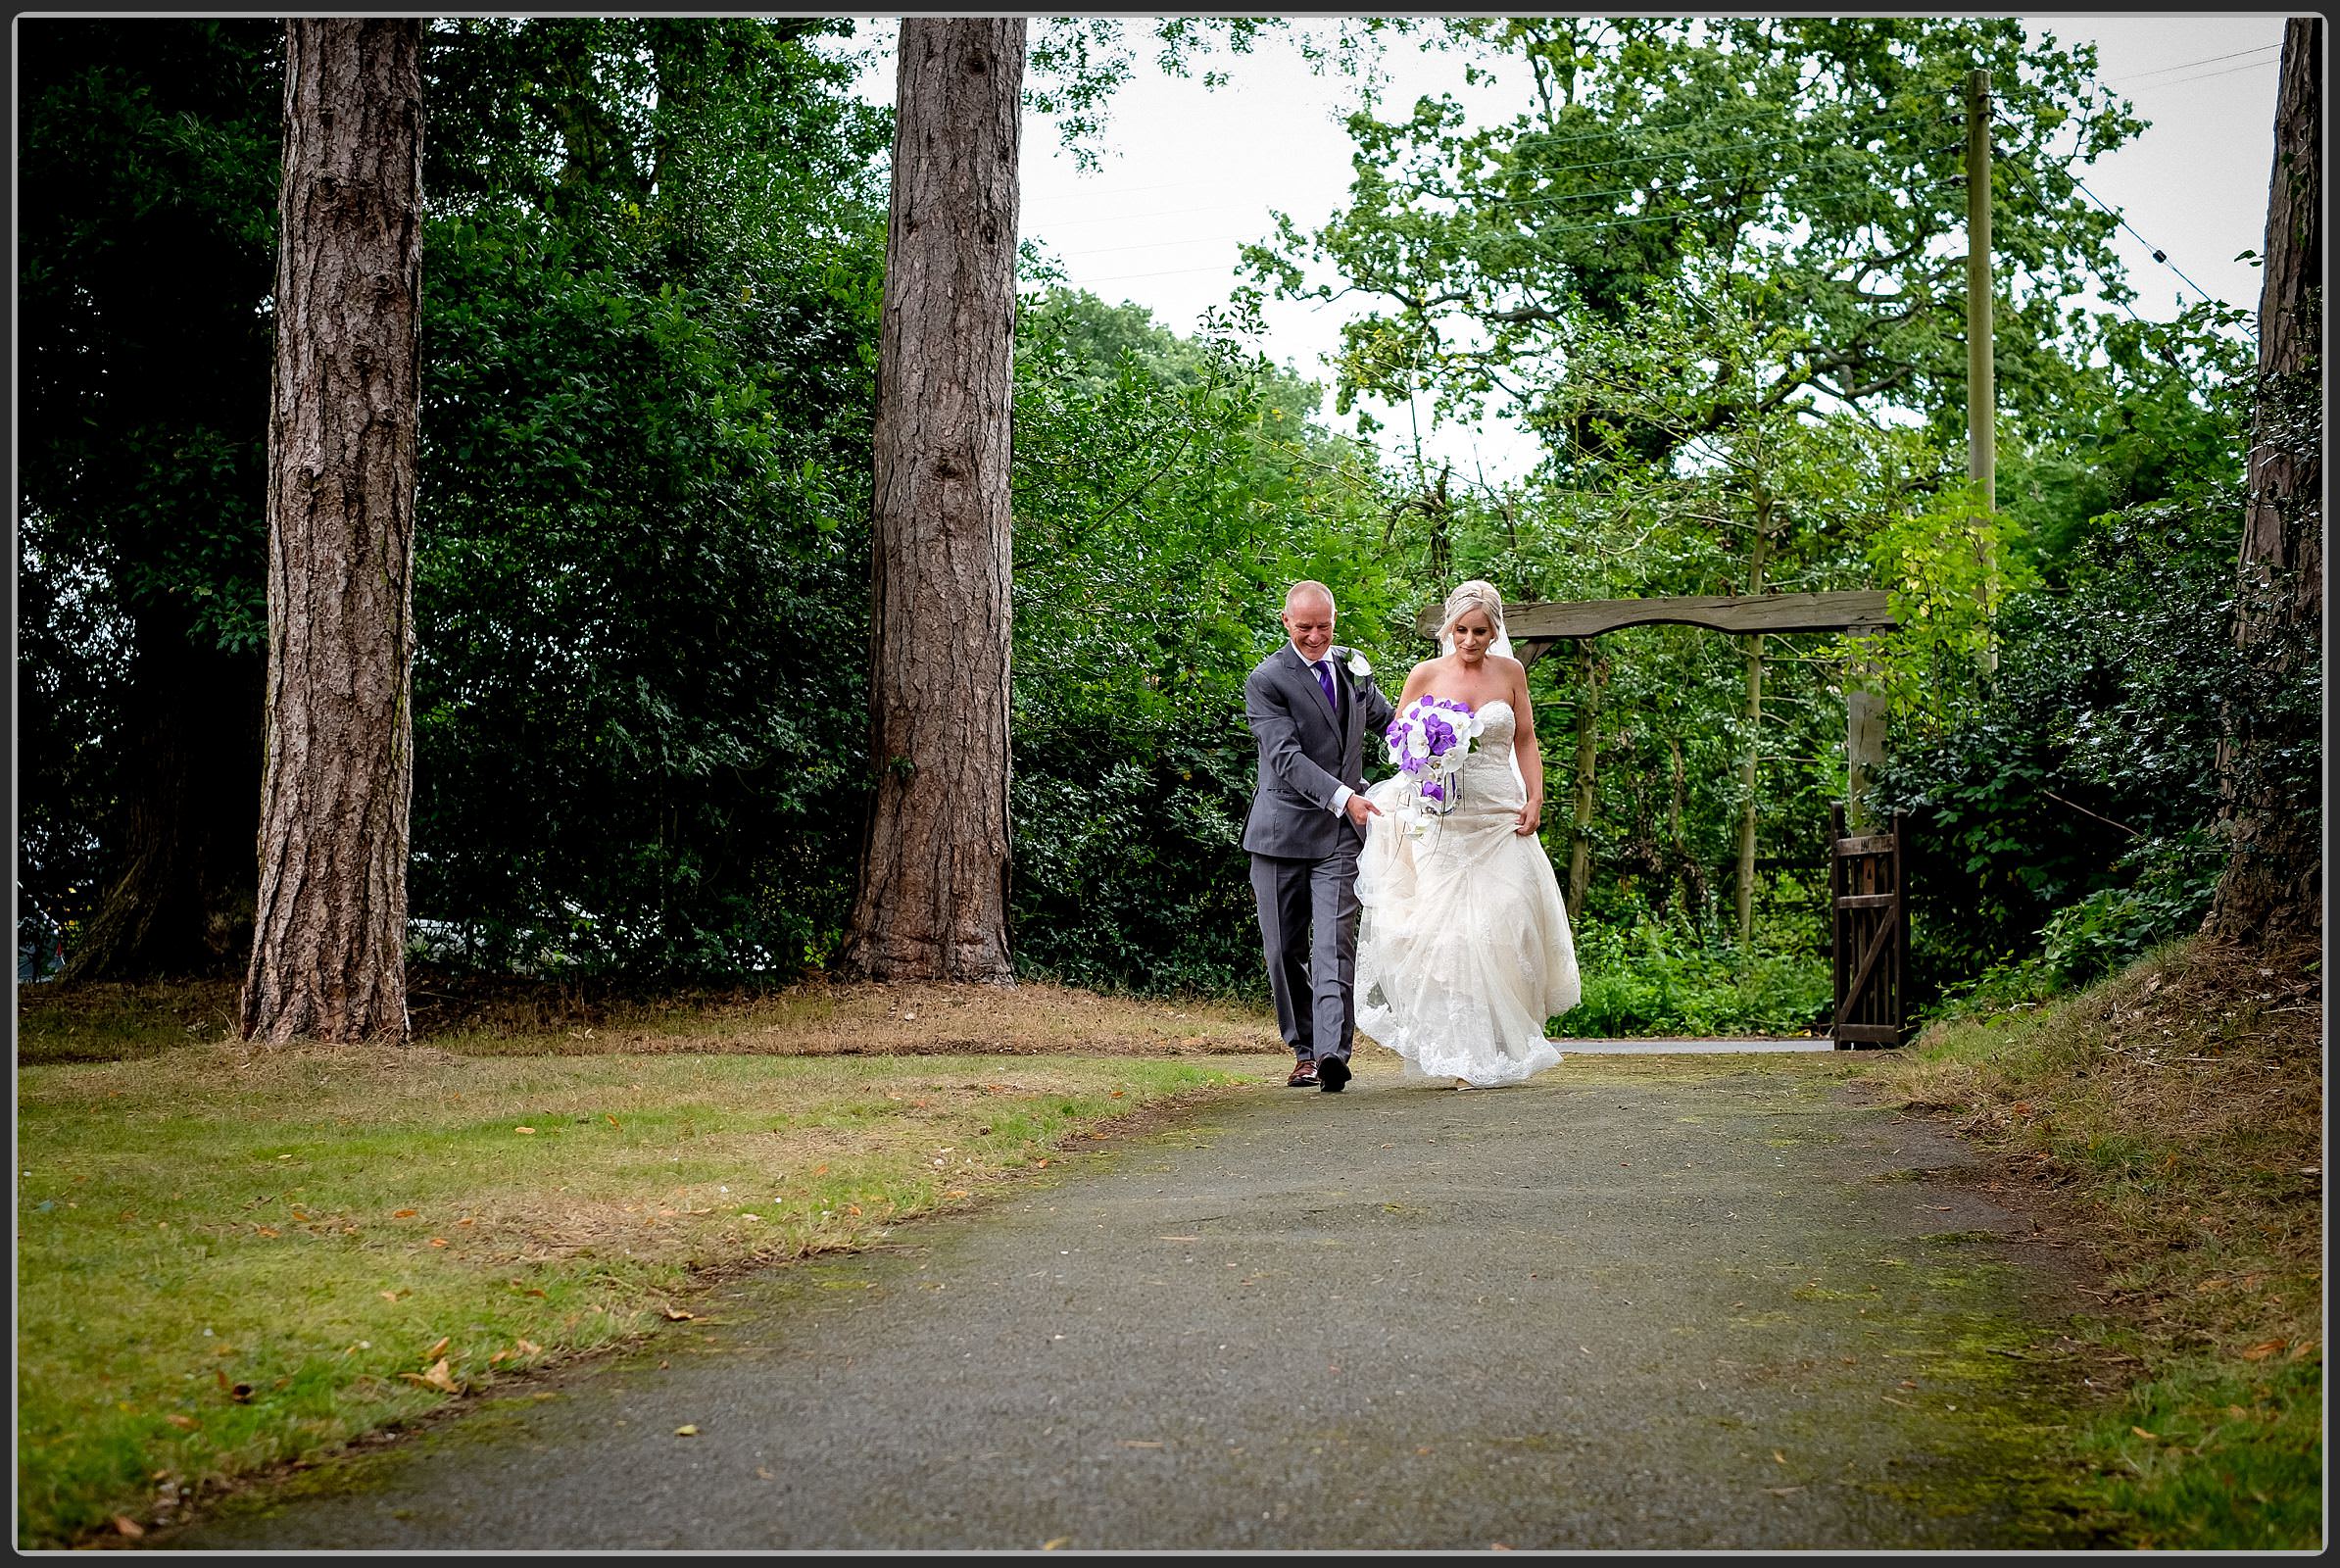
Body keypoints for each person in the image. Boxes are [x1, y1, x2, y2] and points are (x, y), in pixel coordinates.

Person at [1353, 579, 1582, 1088]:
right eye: (1462, 630)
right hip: (1443, 819)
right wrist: (1427, 758)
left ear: (1496, 629)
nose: (1471, 640)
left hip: (1499, 810)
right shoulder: (1425, 674)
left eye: (1481, 631)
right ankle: (1463, 1050)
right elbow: (1399, 739)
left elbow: (1525, 739)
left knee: (1507, 919)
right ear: (1449, 628)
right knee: (1451, 933)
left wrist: (1535, 797)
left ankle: (1503, 1039)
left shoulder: (1511, 672)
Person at [1241, 580, 1397, 1093]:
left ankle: (1332, 1055)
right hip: (1280, 834)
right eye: (1304, 627)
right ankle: (1304, 1049)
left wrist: (1436, 744)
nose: (1315, 636)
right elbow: (1285, 759)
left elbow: (1390, 724)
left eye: (1324, 626)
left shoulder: (1353, 665)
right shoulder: (1266, 680)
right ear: (1286, 622)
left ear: (1335, 620)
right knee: (1284, 951)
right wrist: (1344, 797)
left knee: (1334, 944)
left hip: (1341, 837)